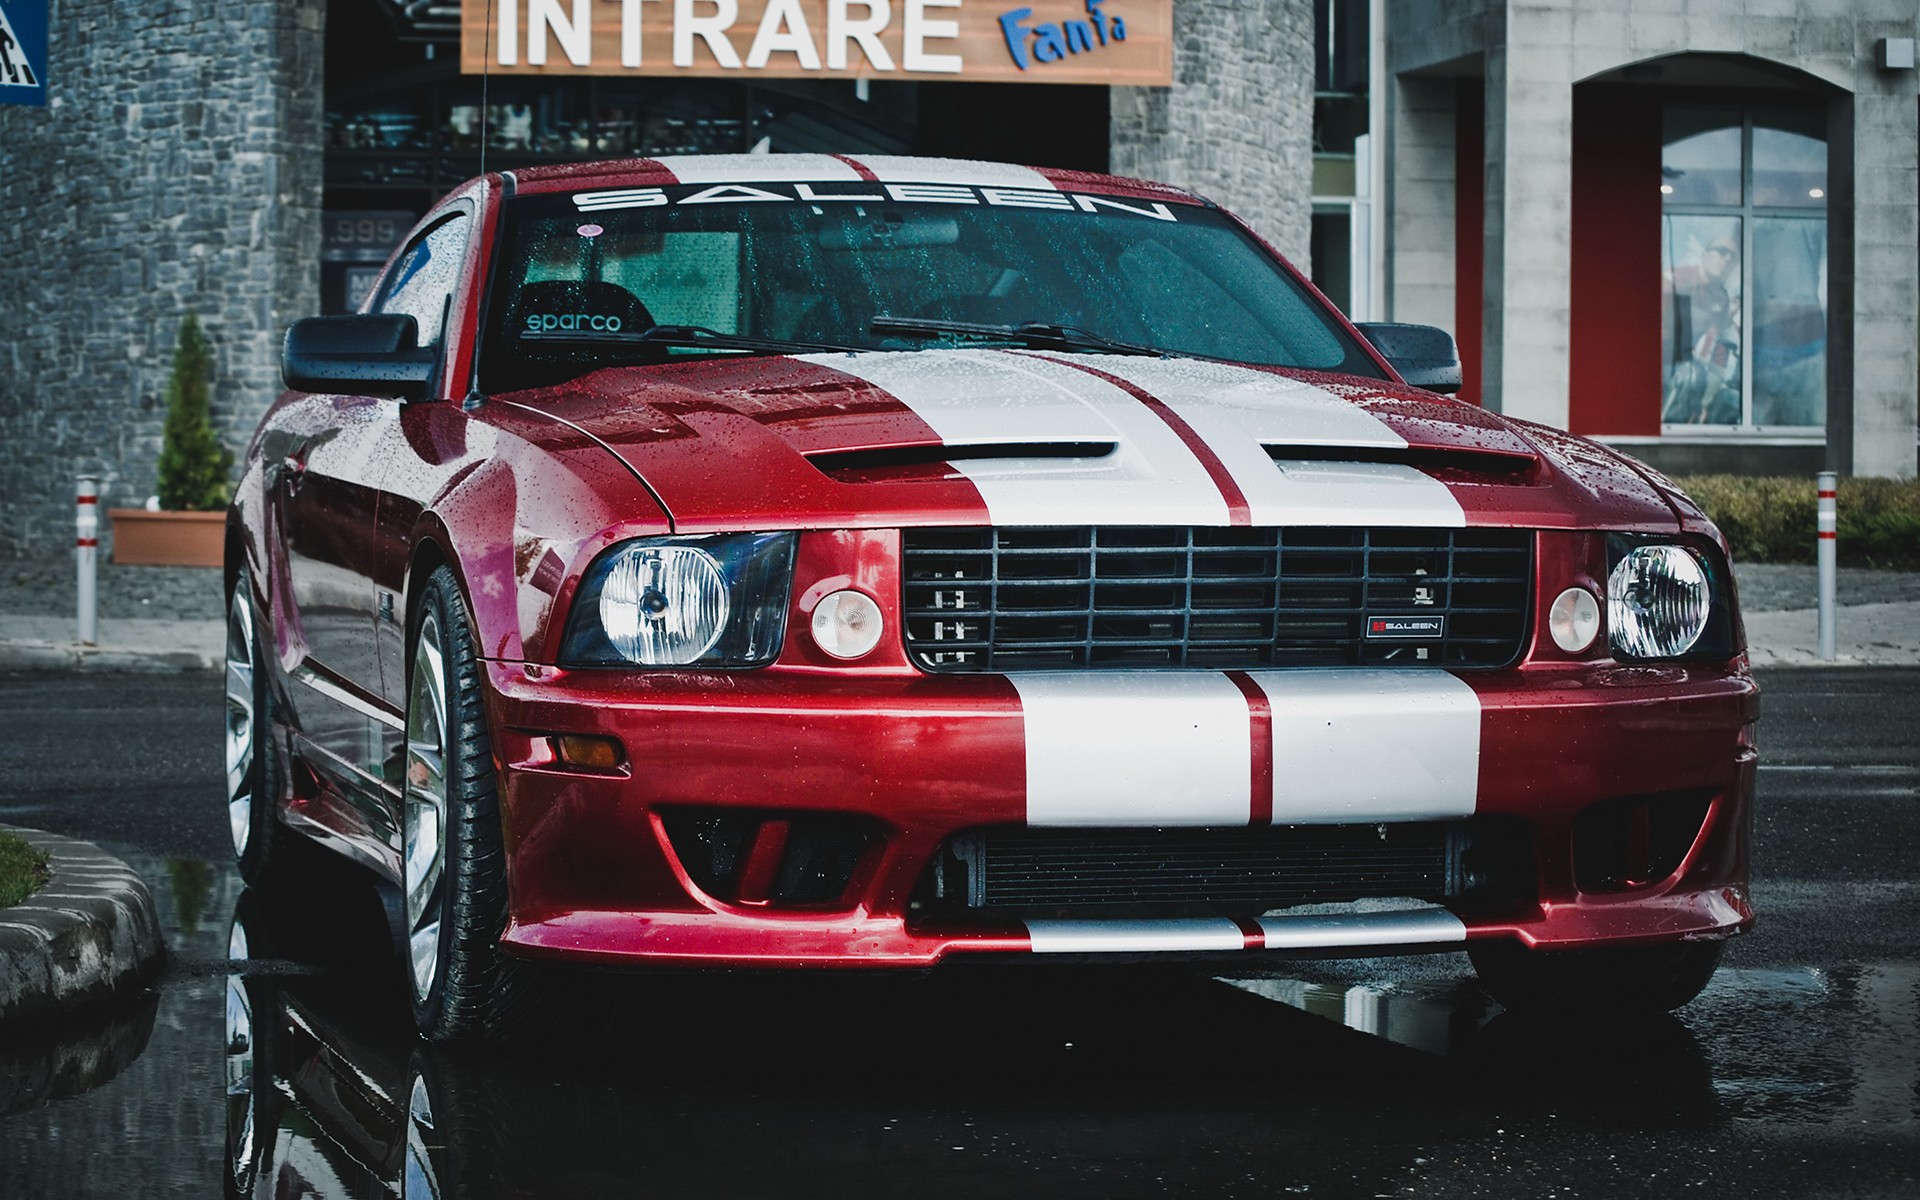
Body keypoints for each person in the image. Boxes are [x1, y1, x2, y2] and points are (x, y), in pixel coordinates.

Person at [1662, 233, 1741, 425]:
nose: (1727, 260)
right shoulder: (1678, 280)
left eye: (1733, 256)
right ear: (1705, 255)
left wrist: (1707, 400)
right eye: (1722, 252)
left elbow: (1722, 342)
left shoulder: (1720, 296)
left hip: (1684, 363)